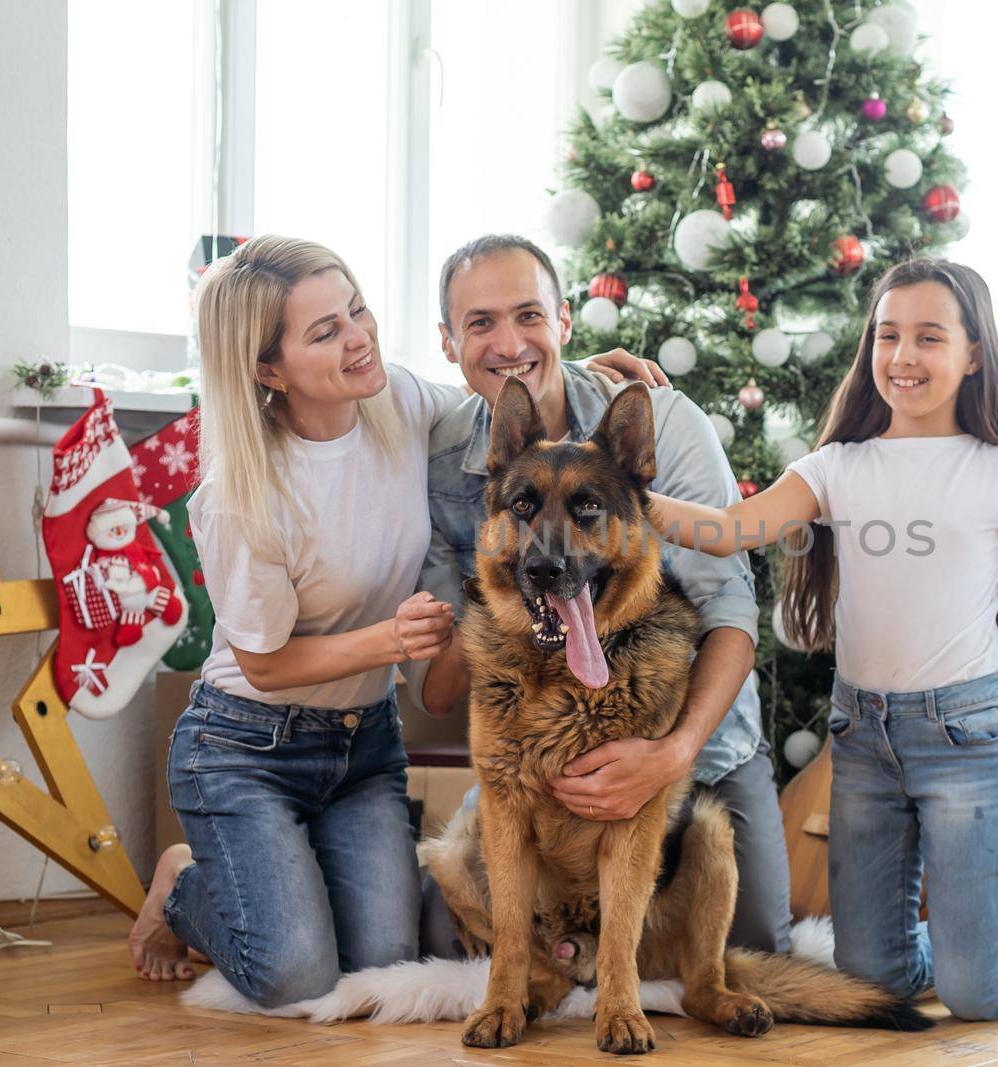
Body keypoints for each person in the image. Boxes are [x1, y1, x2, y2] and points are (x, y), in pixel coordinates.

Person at [126, 235, 661, 1005]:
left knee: (381, 958)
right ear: (266, 369)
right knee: (293, 974)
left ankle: (290, 874)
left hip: (363, 744)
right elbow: (266, 664)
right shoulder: (243, 493)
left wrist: (575, 372)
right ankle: (183, 883)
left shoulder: (402, 403)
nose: (359, 337)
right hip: (245, 743)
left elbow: (504, 402)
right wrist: (388, 641)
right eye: (325, 332)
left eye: (357, 309)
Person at [645, 258, 998, 1020]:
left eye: (928, 337)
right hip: (865, 744)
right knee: (875, 981)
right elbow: (730, 530)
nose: (903, 357)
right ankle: (997, 926)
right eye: (888, 335)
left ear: (974, 353)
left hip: (968, 739)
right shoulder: (837, 467)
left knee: (974, 993)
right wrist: (624, 492)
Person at [408, 233, 795, 954]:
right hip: (537, 746)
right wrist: (497, 579)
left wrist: (671, 753)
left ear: (564, 323)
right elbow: (435, 693)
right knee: (439, 928)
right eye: (480, 322)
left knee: (749, 947)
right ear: (447, 340)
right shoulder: (439, 457)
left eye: (529, 315)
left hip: (694, 743)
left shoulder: (663, 422)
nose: (508, 342)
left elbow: (732, 611)